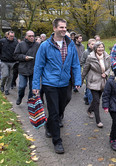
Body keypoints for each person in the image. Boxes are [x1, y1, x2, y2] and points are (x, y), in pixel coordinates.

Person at [32, 18, 81, 154]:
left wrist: (77, 80)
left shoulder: (70, 44)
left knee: (61, 108)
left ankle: (49, 125)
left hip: (65, 83)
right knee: (54, 112)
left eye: (65, 27)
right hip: (50, 83)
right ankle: (57, 141)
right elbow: (38, 66)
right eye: (61, 27)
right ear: (54, 28)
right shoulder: (45, 45)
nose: (64, 29)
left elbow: (76, 64)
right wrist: (36, 84)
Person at [81, 41, 111, 128]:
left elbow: (109, 67)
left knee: (96, 100)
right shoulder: (90, 57)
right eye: (99, 47)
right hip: (93, 80)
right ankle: (98, 121)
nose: (101, 49)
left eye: (102, 47)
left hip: (103, 81)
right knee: (97, 101)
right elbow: (85, 69)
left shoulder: (107, 56)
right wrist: (80, 80)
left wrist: (106, 73)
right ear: (95, 48)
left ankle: (89, 110)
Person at [14, 30, 39, 105]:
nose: (32, 37)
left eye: (33, 36)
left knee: (32, 88)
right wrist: (24, 57)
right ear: (26, 37)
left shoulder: (37, 45)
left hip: (33, 69)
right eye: (30, 36)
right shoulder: (21, 44)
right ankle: (20, 96)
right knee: (22, 86)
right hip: (23, 68)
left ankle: (30, 101)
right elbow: (15, 55)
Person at [0, 31, 18, 95]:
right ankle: (2, 85)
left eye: (13, 36)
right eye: (10, 36)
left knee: (10, 77)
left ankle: (7, 89)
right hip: (4, 61)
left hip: (12, 62)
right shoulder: (2, 42)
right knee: (5, 74)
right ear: (7, 36)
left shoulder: (15, 43)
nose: (12, 37)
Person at [80, 38, 96, 105]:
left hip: (95, 73)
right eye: (92, 44)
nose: (94, 45)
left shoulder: (97, 52)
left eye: (95, 44)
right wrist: (86, 68)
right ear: (89, 44)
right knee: (89, 88)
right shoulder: (86, 52)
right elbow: (82, 61)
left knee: (89, 87)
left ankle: (86, 97)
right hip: (88, 73)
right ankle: (91, 105)